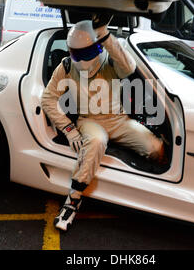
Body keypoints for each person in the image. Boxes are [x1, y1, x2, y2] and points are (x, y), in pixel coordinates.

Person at [41, 15, 167, 231]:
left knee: (156, 149)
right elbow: (47, 98)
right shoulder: (67, 66)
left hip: (119, 120)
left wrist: (105, 35)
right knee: (97, 141)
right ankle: (73, 199)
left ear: (97, 47)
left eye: (86, 53)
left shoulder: (111, 60)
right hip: (90, 120)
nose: (80, 59)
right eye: (75, 53)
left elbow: (128, 66)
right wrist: (69, 129)